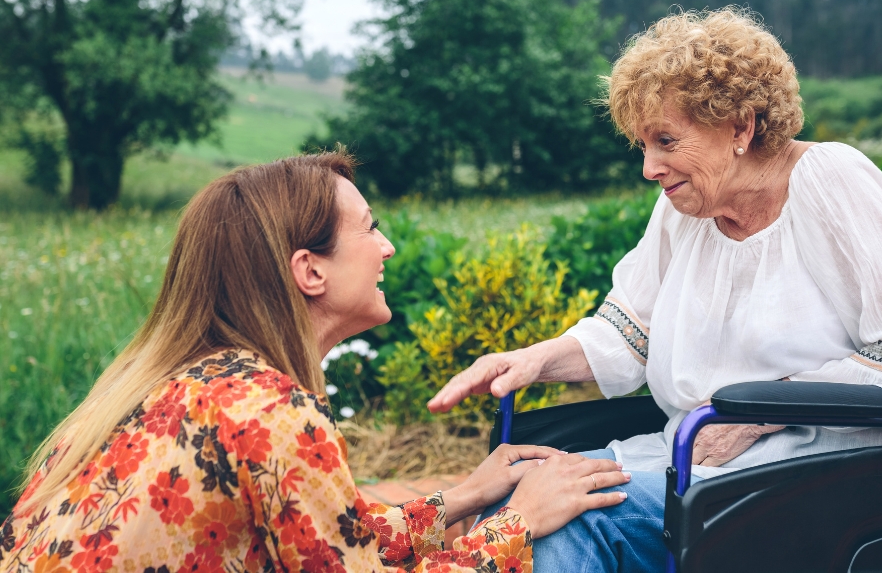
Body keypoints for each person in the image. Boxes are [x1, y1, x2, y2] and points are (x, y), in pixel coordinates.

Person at [428, 8, 882, 572]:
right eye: (642, 145)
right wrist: (529, 360)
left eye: (666, 141)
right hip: (692, 454)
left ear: (741, 127)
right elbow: (627, 333)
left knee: (570, 517)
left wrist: (751, 416)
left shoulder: (831, 179)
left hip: (816, 467)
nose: (650, 167)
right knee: (516, 503)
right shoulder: (686, 205)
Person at [0, 152, 630, 573]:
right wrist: (518, 523)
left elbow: (329, 542)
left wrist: (463, 497)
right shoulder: (272, 414)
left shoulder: (180, 381)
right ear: (309, 270)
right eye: (369, 228)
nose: (386, 247)